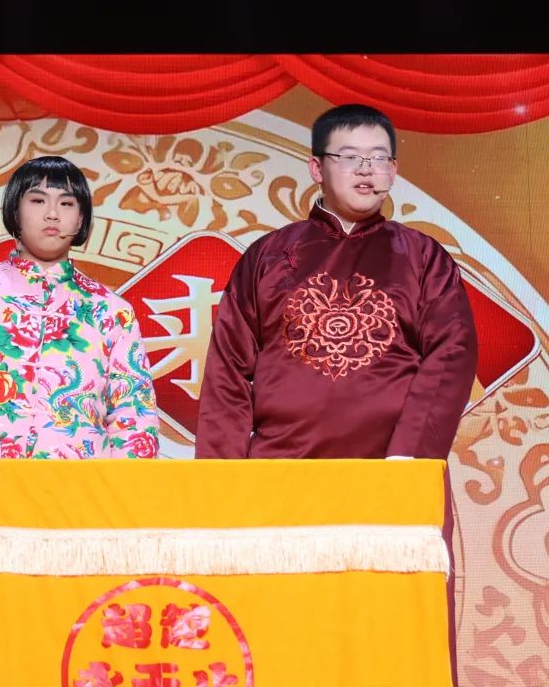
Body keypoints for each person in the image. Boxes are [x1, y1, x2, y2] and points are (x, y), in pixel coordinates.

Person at [195, 103, 476, 685]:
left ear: (394, 170)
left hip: (390, 474)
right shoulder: (268, 256)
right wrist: (222, 481)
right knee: (278, 625)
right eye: (350, 157)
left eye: (379, 158)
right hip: (282, 473)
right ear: (316, 168)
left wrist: (408, 459)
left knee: (390, 630)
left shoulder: (423, 258)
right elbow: (228, 371)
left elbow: (452, 354)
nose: (366, 170)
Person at [0, 156, 160, 459]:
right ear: (15, 210)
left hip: (80, 484)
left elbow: (135, 415)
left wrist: (120, 488)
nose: (52, 214)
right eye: (38, 201)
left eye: (67, 204)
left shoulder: (111, 310)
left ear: (81, 219)